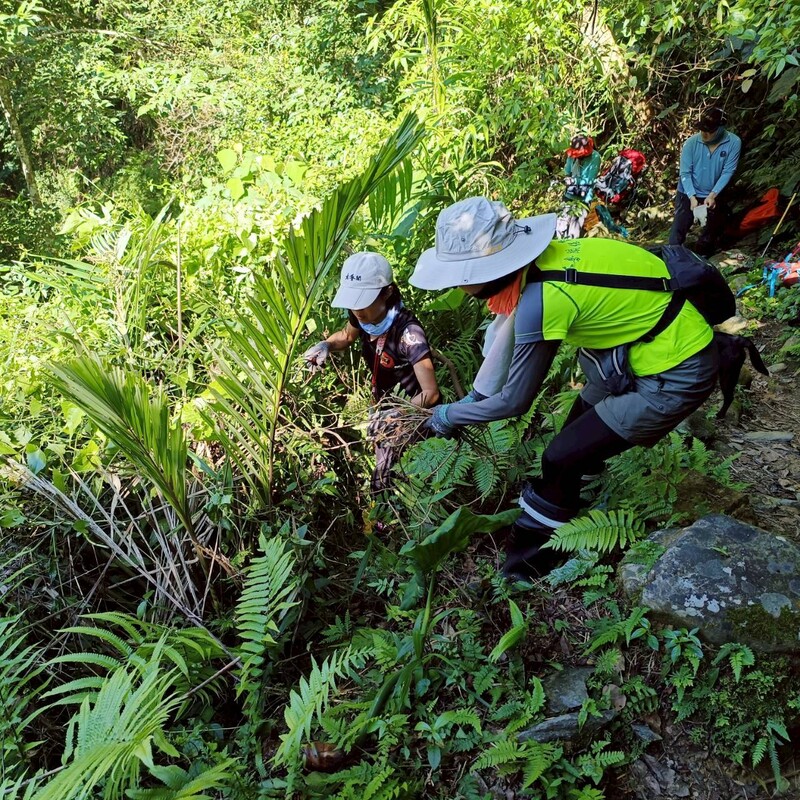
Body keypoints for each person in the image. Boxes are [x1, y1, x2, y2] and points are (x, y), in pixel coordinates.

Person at [410, 197, 719, 581]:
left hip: (674, 373)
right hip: (636, 356)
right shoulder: (549, 260)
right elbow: (504, 355)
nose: (459, 282)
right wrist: (473, 400)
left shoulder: (545, 299)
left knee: (560, 458)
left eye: (463, 274)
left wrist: (448, 415)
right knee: (577, 429)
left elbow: (514, 402)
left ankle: (525, 566)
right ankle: (572, 507)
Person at [303, 252, 440, 494]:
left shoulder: (408, 334)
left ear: (387, 292)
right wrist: (325, 345)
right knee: (383, 481)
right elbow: (346, 336)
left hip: (414, 420)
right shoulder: (365, 317)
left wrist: (397, 415)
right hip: (385, 412)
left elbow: (431, 393)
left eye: (363, 300)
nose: (356, 309)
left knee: (411, 485)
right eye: (353, 301)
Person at [668, 106, 741, 256]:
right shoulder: (691, 143)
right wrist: (692, 198)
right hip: (688, 192)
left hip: (715, 192)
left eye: (709, 131)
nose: (704, 134)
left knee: (711, 232)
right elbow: (685, 173)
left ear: (721, 128)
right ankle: (671, 258)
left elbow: (728, 171)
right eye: (702, 130)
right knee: (678, 231)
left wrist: (713, 195)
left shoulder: (733, 142)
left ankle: (703, 259)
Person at [556, 134, 602, 239]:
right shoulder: (571, 156)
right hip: (569, 194)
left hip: (584, 197)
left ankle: (572, 249)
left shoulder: (595, 157)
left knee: (574, 228)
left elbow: (590, 180)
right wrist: (564, 179)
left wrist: (573, 180)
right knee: (561, 223)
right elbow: (567, 171)